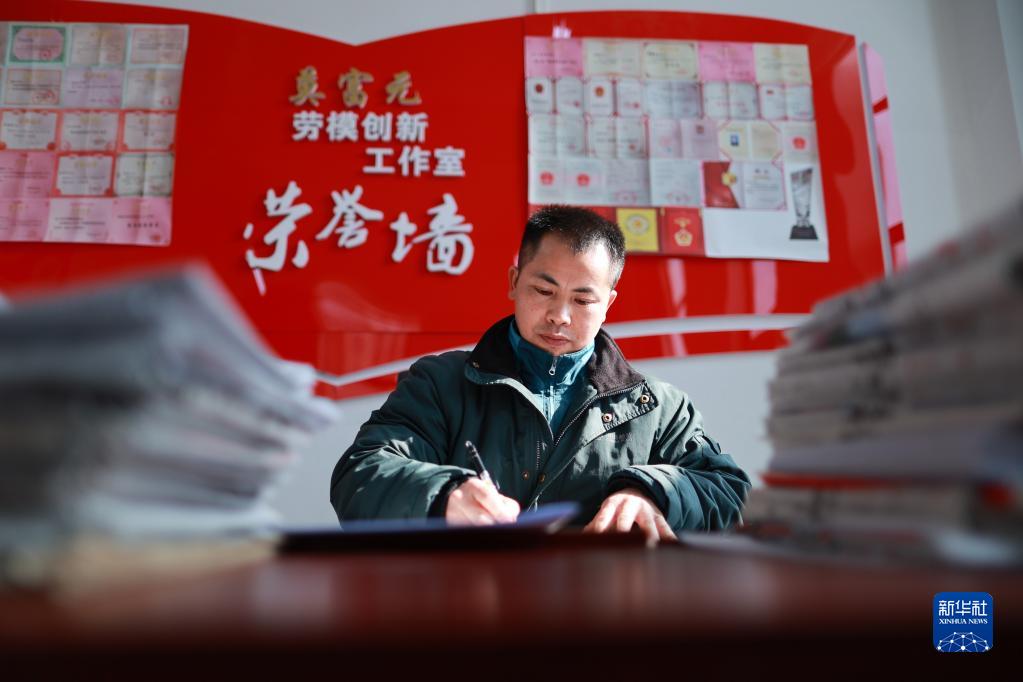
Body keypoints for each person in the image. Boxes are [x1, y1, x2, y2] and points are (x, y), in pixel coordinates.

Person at [330, 205, 750, 544]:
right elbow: (360, 474)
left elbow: (727, 490)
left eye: (583, 300)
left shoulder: (656, 408)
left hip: (602, 613)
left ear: (608, 304)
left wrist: (653, 491)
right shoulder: (440, 383)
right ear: (514, 282)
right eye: (544, 291)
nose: (560, 316)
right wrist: (443, 495)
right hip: (462, 607)